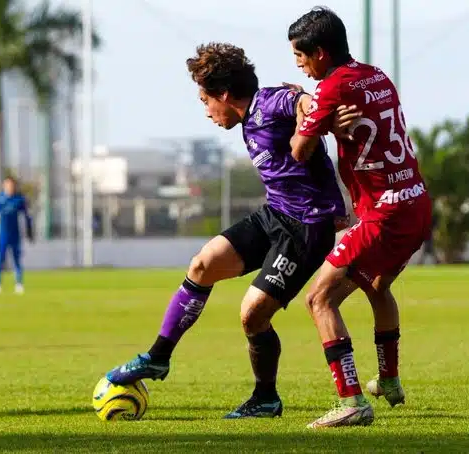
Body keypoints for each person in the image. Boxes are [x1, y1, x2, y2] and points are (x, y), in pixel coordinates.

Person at [106, 42, 361, 419]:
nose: (207, 112)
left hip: (306, 228)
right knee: (202, 265)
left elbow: (298, 102)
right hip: (275, 215)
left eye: (206, 101)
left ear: (224, 94)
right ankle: (158, 358)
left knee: (252, 314)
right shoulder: (249, 119)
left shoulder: (267, 102)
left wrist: (309, 104)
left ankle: (265, 398)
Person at [287, 7, 433, 428]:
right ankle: (388, 380)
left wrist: (316, 121)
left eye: (300, 55)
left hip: (384, 212)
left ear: (319, 52)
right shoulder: (376, 74)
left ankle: (351, 401)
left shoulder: (332, 88)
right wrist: (333, 125)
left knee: (320, 299)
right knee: (377, 284)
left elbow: (299, 150)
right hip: (416, 200)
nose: (298, 63)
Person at [0, 176, 34, 294]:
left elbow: (27, 216)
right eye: (7, 185)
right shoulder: (0, 199)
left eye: (11, 185)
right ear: (4, 186)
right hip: (3, 235)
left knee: (17, 259)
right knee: (0, 259)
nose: (9, 187)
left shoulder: (19, 200)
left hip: (15, 235)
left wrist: (29, 231)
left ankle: (19, 283)